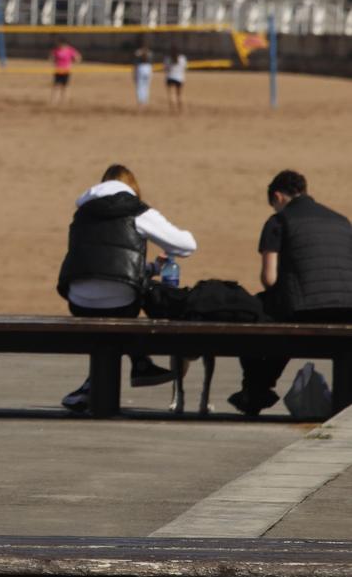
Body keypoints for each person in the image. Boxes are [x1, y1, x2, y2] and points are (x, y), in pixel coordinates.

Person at [56, 163, 197, 415]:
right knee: (141, 293)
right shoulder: (137, 211)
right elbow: (187, 245)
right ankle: (140, 360)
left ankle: (103, 380)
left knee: (116, 294)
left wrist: (151, 267)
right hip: (121, 301)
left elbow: (104, 264)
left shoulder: (82, 212)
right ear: (133, 189)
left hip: (77, 298)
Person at [230, 170, 352, 416]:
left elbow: (269, 278)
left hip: (305, 311)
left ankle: (256, 391)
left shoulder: (279, 221)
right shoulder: (341, 221)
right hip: (348, 309)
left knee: (257, 313)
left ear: (277, 196)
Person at [49, 40, 81, 107]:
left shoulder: (70, 50)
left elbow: (78, 57)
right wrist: (54, 63)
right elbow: (51, 58)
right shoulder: (56, 50)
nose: (61, 46)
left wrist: (73, 63)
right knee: (56, 86)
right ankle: (54, 101)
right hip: (58, 70)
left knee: (65, 86)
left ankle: (65, 101)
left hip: (66, 70)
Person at [164, 48, 187, 115]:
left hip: (170, 77)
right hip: (179, 78)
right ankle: (180, 110)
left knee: (171, 95)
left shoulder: (167, 58)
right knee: (179, 95)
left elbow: (165, 68)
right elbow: (184, 67)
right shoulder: (182, 58)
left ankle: (172, 110)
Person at [132, 43, 153, 114]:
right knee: (146, 87)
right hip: (148, 68)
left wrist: (134, 74)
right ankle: (144, 104)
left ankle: (141, 104)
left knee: (140, 87)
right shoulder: (149, 53)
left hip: (141, 68)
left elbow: (135, 60)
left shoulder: (138, 52)